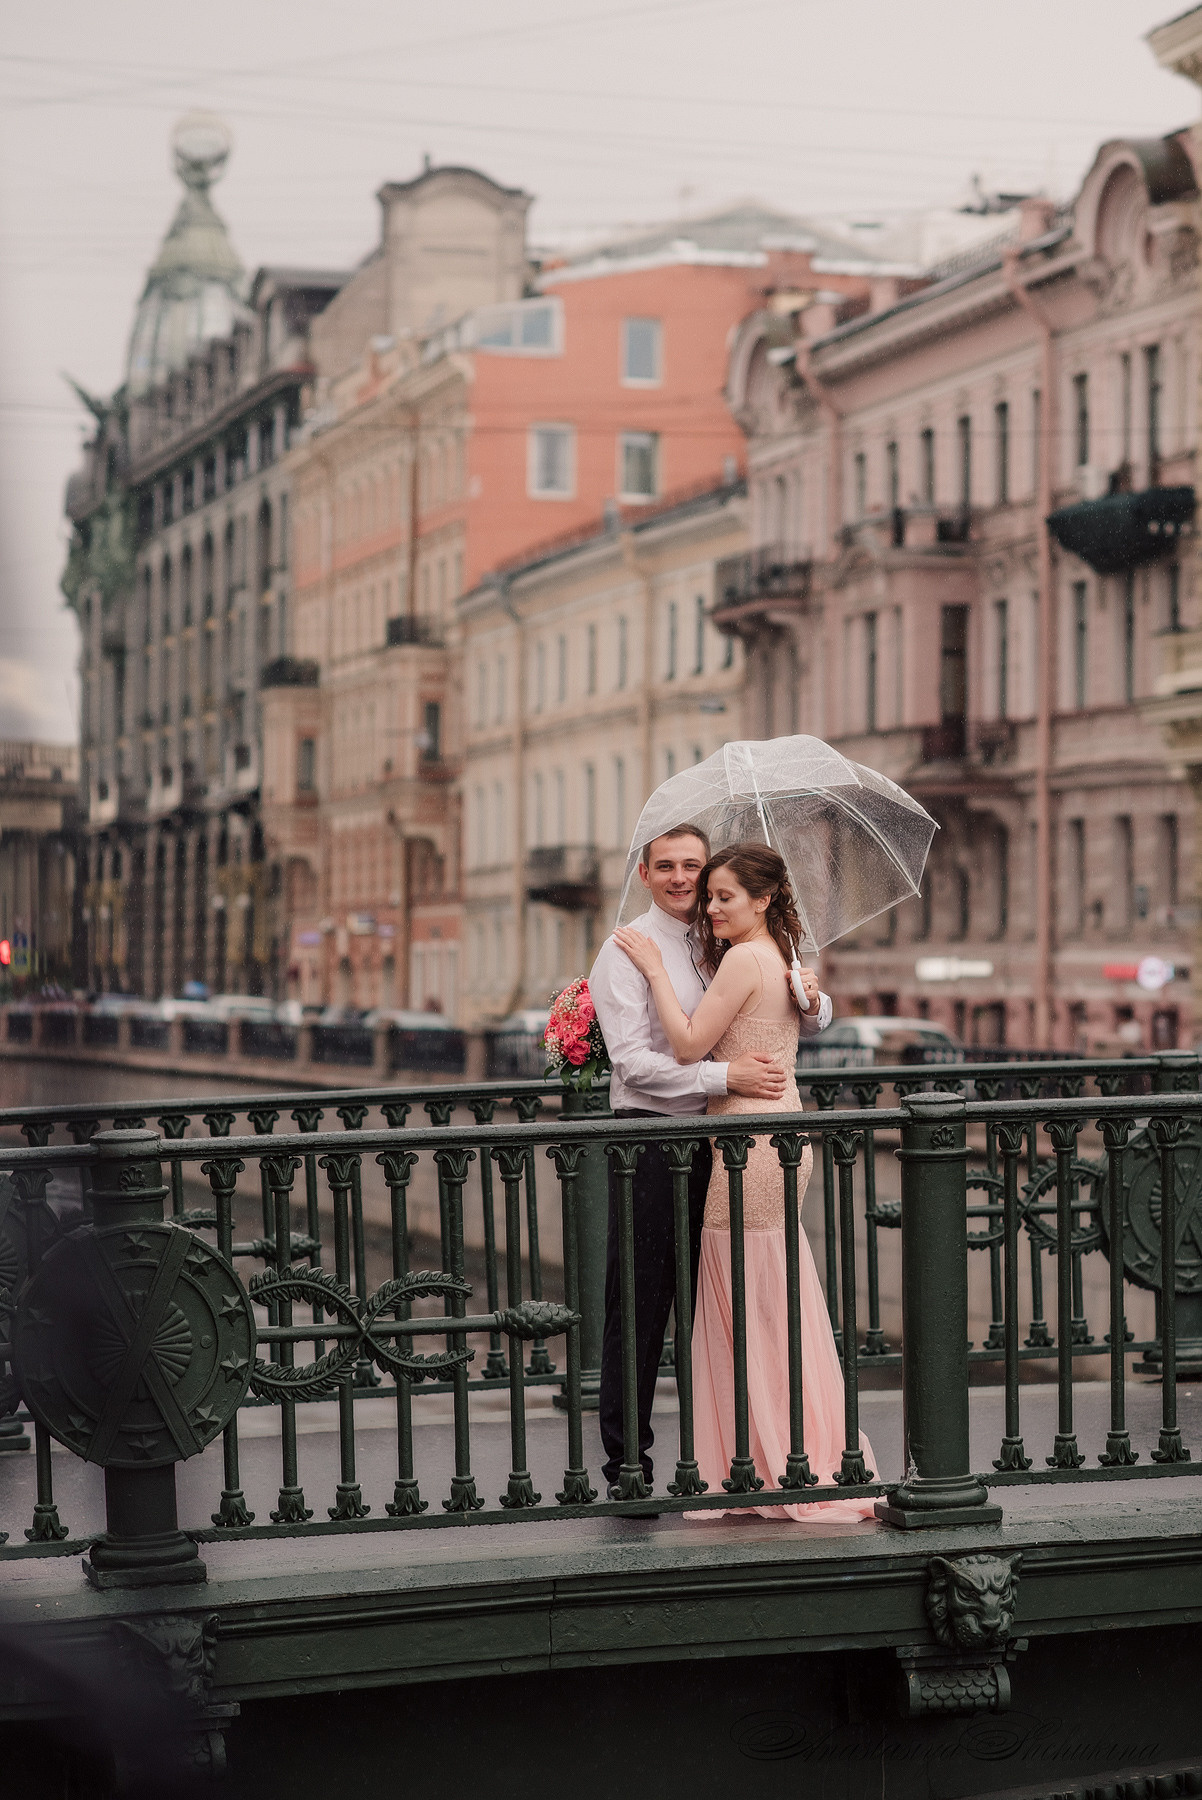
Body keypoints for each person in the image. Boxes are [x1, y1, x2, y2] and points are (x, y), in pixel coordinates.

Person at [613, 843, 876, 1522]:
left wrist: (654, 970)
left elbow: (687, 1045)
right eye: (710, 897)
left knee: (743, 1301)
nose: (711, 906)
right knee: (770, 1299)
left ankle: (764, 1464)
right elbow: (803, 1014)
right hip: (774, 1137)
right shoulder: (779, 955)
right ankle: (788, 1455)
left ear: (763, 899)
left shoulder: (742, 960)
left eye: (725, 896)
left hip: (745, 1147)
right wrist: (813, 997)